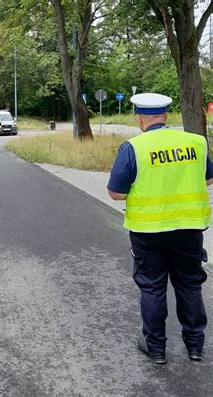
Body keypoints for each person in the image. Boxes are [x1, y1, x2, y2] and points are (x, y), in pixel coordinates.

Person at [107, 93, 213, 365]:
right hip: (189, 230)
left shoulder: (133, 147)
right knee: (189, 286)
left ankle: (155, 349)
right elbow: (209, 178)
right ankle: (195, 347)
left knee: (152, 288)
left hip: (148, 232)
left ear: (139, 118)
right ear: (166, 116)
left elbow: (115, 193)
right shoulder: (196, 142)